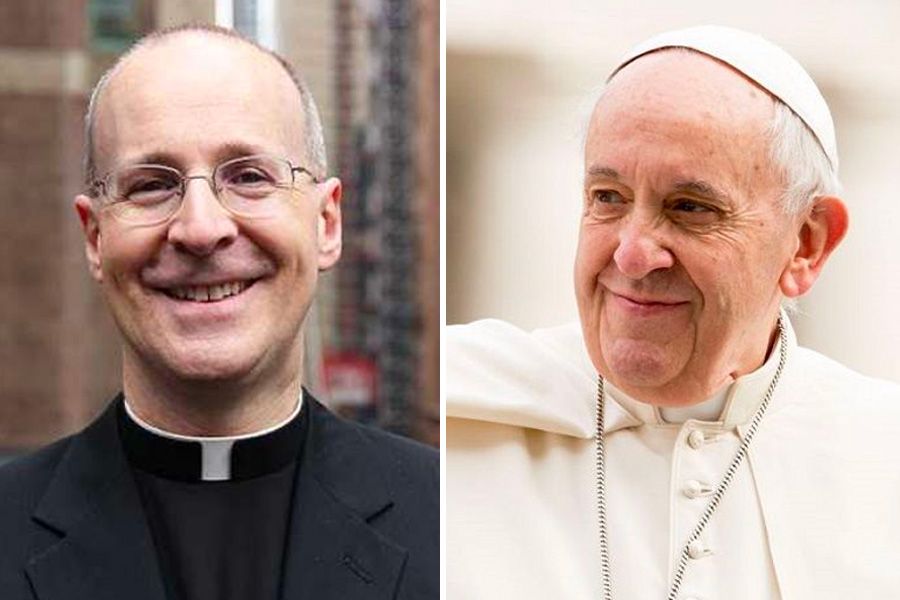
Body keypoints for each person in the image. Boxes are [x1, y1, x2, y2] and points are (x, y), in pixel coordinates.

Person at [447, 25, 900, 599]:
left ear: (807, 244)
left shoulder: (884, 459)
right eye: (607, 198)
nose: (633, 255)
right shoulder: (458, 409)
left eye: (690, 208)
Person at [0, 24, 437, 600]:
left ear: (327, 224)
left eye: (250, 177)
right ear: (95, 238)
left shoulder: (447, 517)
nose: (201, 229)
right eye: (152, 185)